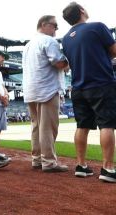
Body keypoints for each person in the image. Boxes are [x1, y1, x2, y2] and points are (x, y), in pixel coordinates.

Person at [62, 2, 116, 181]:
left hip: (78, 87)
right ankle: (108, 168)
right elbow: (114, 51)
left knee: (82, 126)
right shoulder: (97, 27)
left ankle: (81, 165)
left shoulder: (66, 38)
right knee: (107, 124)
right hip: (101, 84)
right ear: (82, 11)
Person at [22, 15, 69, 172]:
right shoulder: (49, 40)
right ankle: (48, 162)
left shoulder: (28, 45)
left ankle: (36, 159)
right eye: (54, 26)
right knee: (48, 127)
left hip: (31, 89)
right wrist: (70, 60)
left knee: (36, 126)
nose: (56, 29)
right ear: (44, 24)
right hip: (47, 89)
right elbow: (59, 62)